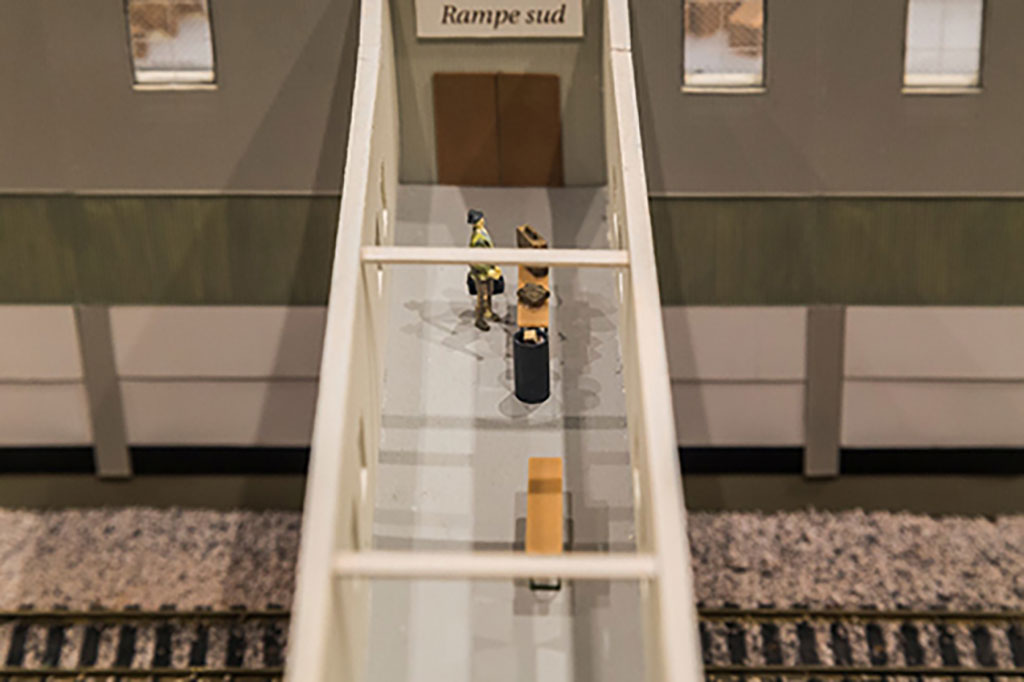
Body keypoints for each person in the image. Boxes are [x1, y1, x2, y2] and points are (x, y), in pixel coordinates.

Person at [467, 209, 501, 331]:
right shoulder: (478, 239)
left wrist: (493, 266)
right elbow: (475, 260)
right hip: (481, 273)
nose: (482, 220)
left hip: (488, 269)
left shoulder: (483, 232)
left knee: (490, 292)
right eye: (479, 219)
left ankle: (489, 312)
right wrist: (488, 270)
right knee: (483, 297)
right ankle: (479, 319)